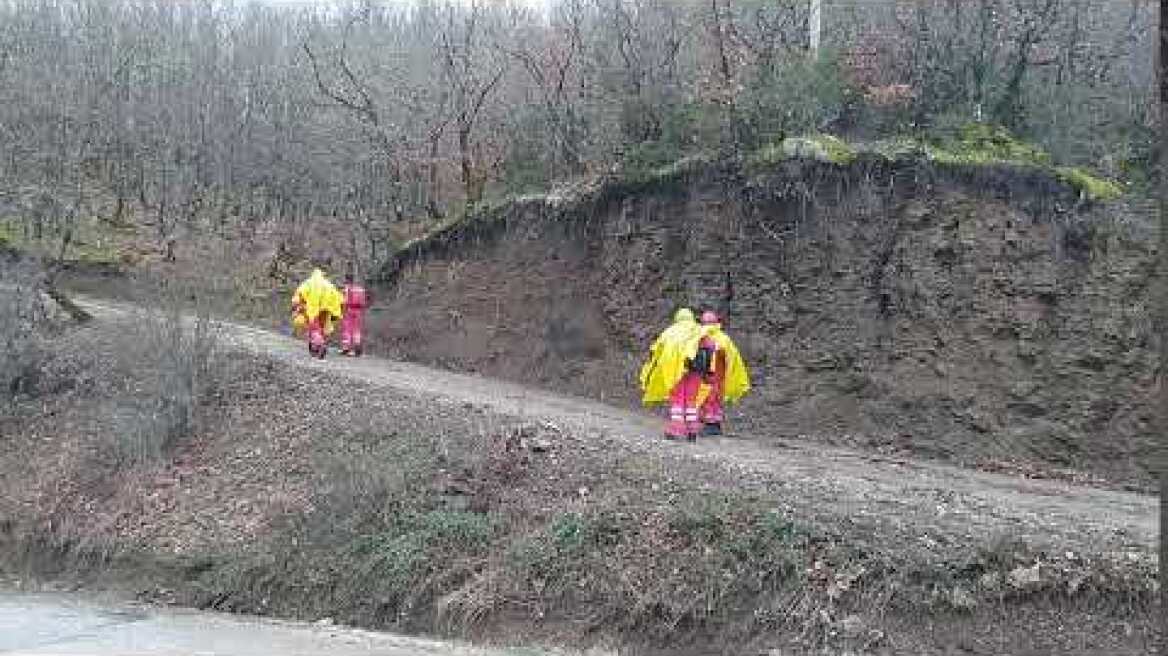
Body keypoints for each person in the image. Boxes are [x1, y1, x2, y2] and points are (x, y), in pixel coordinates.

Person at [639, 307, 714, 442]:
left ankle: (676, 429)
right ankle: (692, 430)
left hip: (676, 370)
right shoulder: (699, 330)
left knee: (678, 400)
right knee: (691, 400)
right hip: (696, 371)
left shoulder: (671, 331)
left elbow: (657, 349)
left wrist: (651, 369)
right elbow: (711, 347)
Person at [695, 310, 750, 436]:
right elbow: (732, 357)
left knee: (709, 399)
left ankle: (711, 425)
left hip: (710, 375)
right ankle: (712, 423)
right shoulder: (723, 338)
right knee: (713, 400)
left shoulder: (704, 337)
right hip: (718, 376)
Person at [291, 266, 343, 358]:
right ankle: (317, 346)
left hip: (313, 309)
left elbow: (299, 294)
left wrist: (296, 306)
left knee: (314, 328)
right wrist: (335, 311)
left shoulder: (308, 283)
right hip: (327, 309)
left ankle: (319, 345)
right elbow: (339, 298)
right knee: (322, 328)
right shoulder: (328, 284)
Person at [340, 273, 369, 357]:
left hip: (349, 310)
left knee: (347, 330)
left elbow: (343, 302)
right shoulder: (360, 289)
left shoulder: (346, 289)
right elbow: (364, 302)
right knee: (357, 329)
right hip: (358, 311)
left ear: (347, 280)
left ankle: (347, 348)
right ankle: (357, 347)